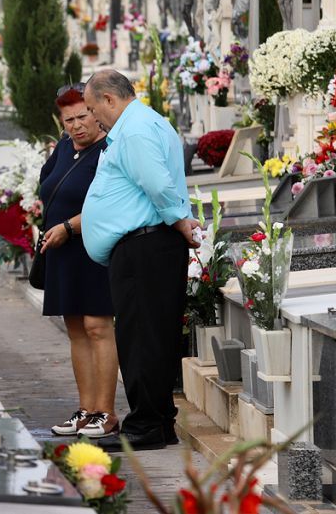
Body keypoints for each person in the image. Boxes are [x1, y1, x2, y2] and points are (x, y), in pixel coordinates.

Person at [81, 69, 200, 451]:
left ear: (109, 99)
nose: (92, 117)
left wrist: (181, 220)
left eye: (92, 107)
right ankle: (160, 420)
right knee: (156, 335)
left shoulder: (133, 130)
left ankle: (146, 424)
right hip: (149, 246)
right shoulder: (147, 122)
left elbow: (156, 182)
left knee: (141, 338)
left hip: (144, 246)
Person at [40, 84, 119, 439]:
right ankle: (86, 410)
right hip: (62, 252)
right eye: (68, 120)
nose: (76, 126)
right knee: (75, 329)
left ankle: (106, 411)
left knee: (97, 326)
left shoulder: (109, 151)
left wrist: (68, 228)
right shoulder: (62, 149)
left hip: (92, 246)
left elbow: (110, 203)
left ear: (95, 112)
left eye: (82, 116)